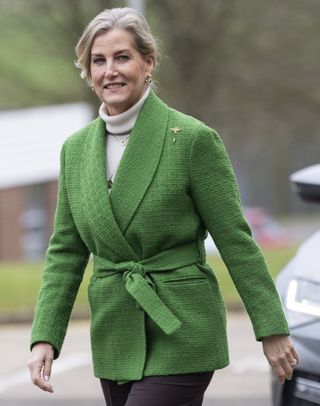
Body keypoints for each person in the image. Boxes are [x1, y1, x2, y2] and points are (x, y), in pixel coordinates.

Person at [28, 7, 299, 406]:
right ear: (87, 71)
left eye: (122, 57)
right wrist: (45, 336)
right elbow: (65, 252)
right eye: (98, 61)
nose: (110, 71)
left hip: (182, 328)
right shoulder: (75, 150)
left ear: (148, 62)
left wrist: (271, 327)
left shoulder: (192, 140)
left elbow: (235, 240)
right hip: (115, 330)